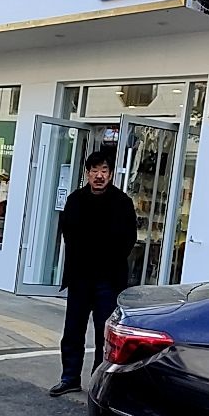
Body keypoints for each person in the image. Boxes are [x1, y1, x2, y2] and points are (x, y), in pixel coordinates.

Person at [49, 149, 138, 397]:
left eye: (104, 171)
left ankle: (99, 384)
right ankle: (69, 377)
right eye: (94, 171)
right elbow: (67, 232)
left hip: (107, 281)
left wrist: (107, 260)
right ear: (87, 173)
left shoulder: (122, 203)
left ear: (110, 174)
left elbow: (129, 239)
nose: (99, 175)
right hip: (79, 278)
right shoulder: (75, 200)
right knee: (73, 331)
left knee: (104, 334)